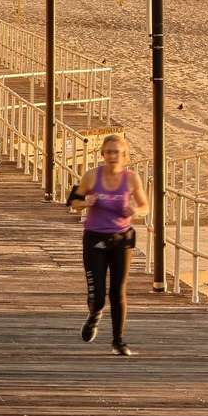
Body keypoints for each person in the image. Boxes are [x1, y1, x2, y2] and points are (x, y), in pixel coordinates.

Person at [66, 133, 150, 356]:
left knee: (118, 291)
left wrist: (136, 210)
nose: (112, 156)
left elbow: (145, 206)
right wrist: (86, 202)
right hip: (94, 237)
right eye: (109, 152)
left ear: (124, 156)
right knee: (98, 294)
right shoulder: (91, 177)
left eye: (117, 152)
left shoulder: (132, 179)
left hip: (121, 239)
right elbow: (72, 202)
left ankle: (118, 341)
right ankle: (94, 315)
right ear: (102, 154)